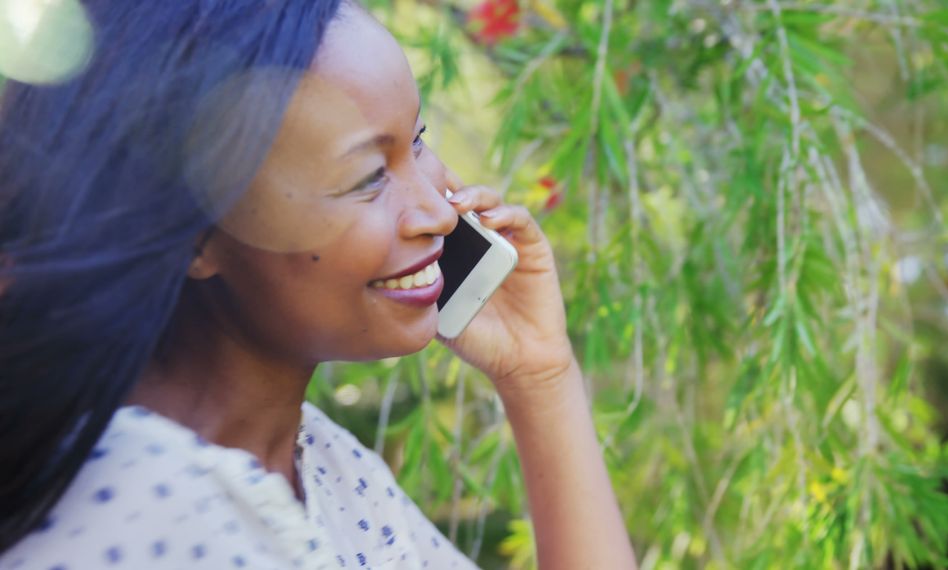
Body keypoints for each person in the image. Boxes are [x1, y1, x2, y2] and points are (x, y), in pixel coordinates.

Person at [0, 1, 636, 568]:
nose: (439, 212)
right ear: (199, 231)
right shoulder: (145, 502)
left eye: (417, 143)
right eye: (367, 177)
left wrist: (540, 376)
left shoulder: (330, 472)